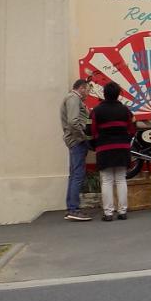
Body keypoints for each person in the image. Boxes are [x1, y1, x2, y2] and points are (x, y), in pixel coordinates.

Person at [90, 81, 135, 220]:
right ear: (118, 94)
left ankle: (108, 213)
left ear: (104, 94)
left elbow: (93, 131)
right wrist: (126, 139)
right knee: (121, 179)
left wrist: (98, 141)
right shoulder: (125, 110)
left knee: (107, 180)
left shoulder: (97, 110)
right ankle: (122, 211)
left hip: (104, 148)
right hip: (122, 147)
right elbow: (132, 129)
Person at [60, 78, 93, 221]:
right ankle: (74, 209)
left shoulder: (71, 99)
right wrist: (83, 137)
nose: (88, 94)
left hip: (74, 140)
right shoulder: (73, 99)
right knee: (78, 174)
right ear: (82, 88)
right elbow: (73, 122)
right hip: (77, 141)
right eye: (88, 90)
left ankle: (71, 208)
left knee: (74, 174)